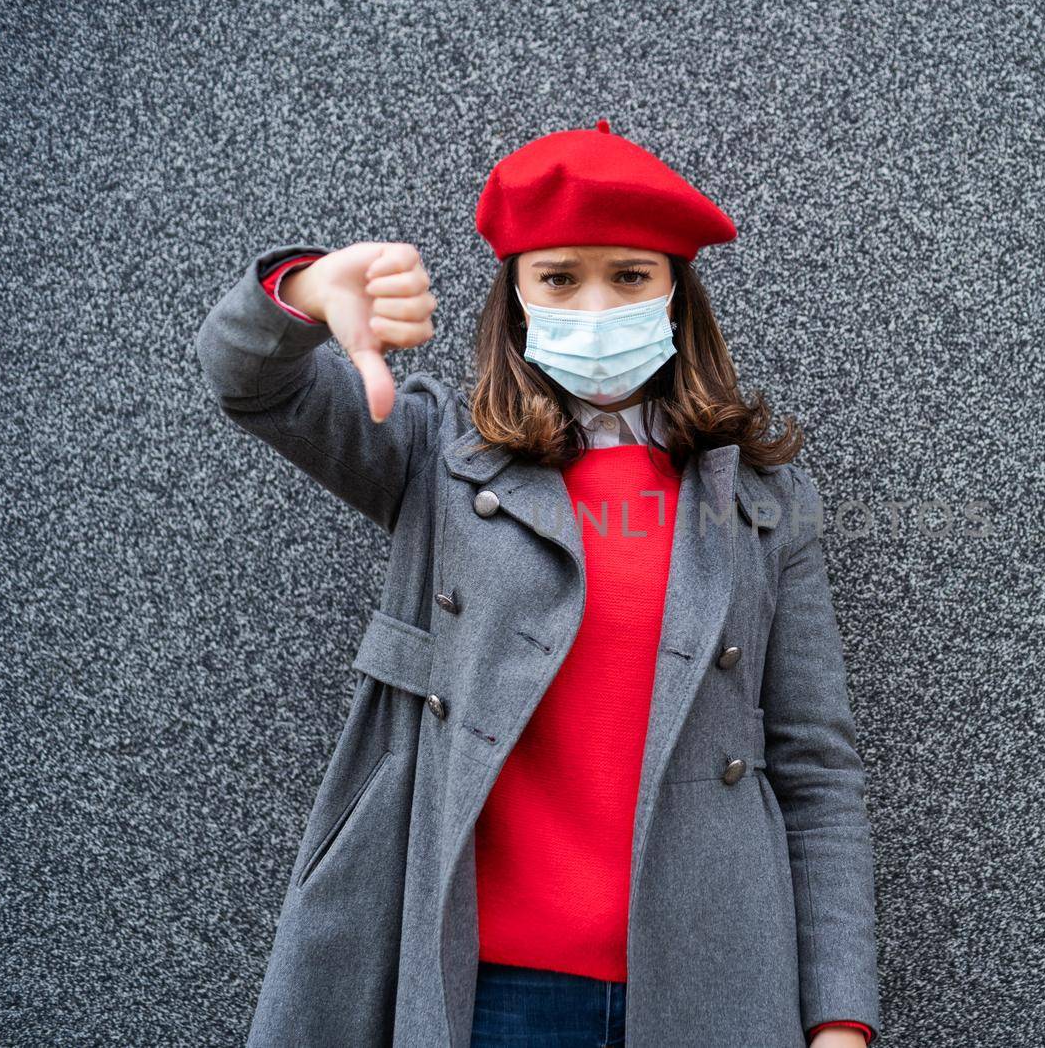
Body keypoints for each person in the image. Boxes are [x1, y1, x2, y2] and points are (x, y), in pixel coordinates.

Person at [196, 118, 880, 1047]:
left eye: (629, 276)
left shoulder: (760, 500)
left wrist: (840, 1015)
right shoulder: (436, 454)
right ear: (516, 294)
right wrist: (309, 293)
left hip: (710, 982)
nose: (594, 306)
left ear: (677, 295)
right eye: (558, 276)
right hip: (489, 989)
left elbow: (817, 766)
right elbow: (250, 381)